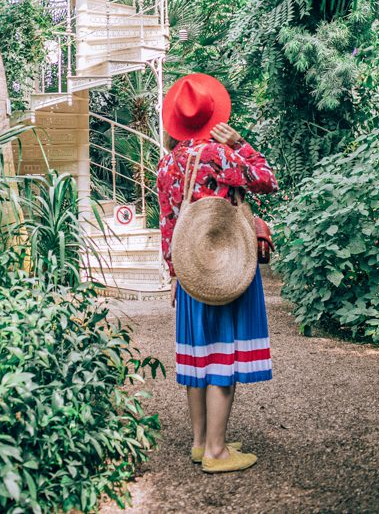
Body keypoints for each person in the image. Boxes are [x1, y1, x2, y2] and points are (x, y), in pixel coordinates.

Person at [157, 73, 278, 474]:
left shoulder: (167, 163)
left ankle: (199, 442)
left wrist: (175, 273)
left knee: (197, 358)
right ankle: (217, 451)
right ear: (213, 116)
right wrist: (239, 144)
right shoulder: (218, 155)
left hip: (191, 269)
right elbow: (267, 180)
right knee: (222, 356)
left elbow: (167, 225)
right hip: (225, 266)